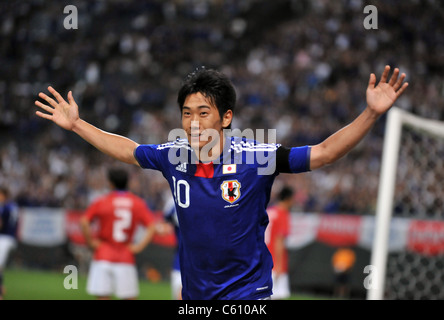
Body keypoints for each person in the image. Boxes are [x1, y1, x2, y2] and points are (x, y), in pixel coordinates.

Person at [35, 65, 408, 300]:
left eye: (203, 112)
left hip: (247, 293)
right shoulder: (172, 155)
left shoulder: (256, 157)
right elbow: (128, 150)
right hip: (195, 294)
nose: (193, 122)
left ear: (226, 117)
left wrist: (371, 114)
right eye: (186, 113)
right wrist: (77, 125)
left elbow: (323, 152)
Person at [80, 167, 156, 300]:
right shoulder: (137, 203)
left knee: (103, 297)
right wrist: (139, 246)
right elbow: (152, 226)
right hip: (125, 256)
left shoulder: (102, 201)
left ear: (110, 183)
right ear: (127, 183)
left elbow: (84, 222)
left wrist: (91, 242)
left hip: (103, 254)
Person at [265, 185, 294, 300]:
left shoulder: (269, 211)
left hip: (263, 259)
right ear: (288, 199)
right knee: (278, 296)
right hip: (274, 260)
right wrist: (278, 265)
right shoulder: (283, 214)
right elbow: (279, 241)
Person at [0, 187, 19, 300]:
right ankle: (1, 287)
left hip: (3, 238)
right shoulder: (14, 206)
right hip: (12, 239)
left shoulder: (4, 207)